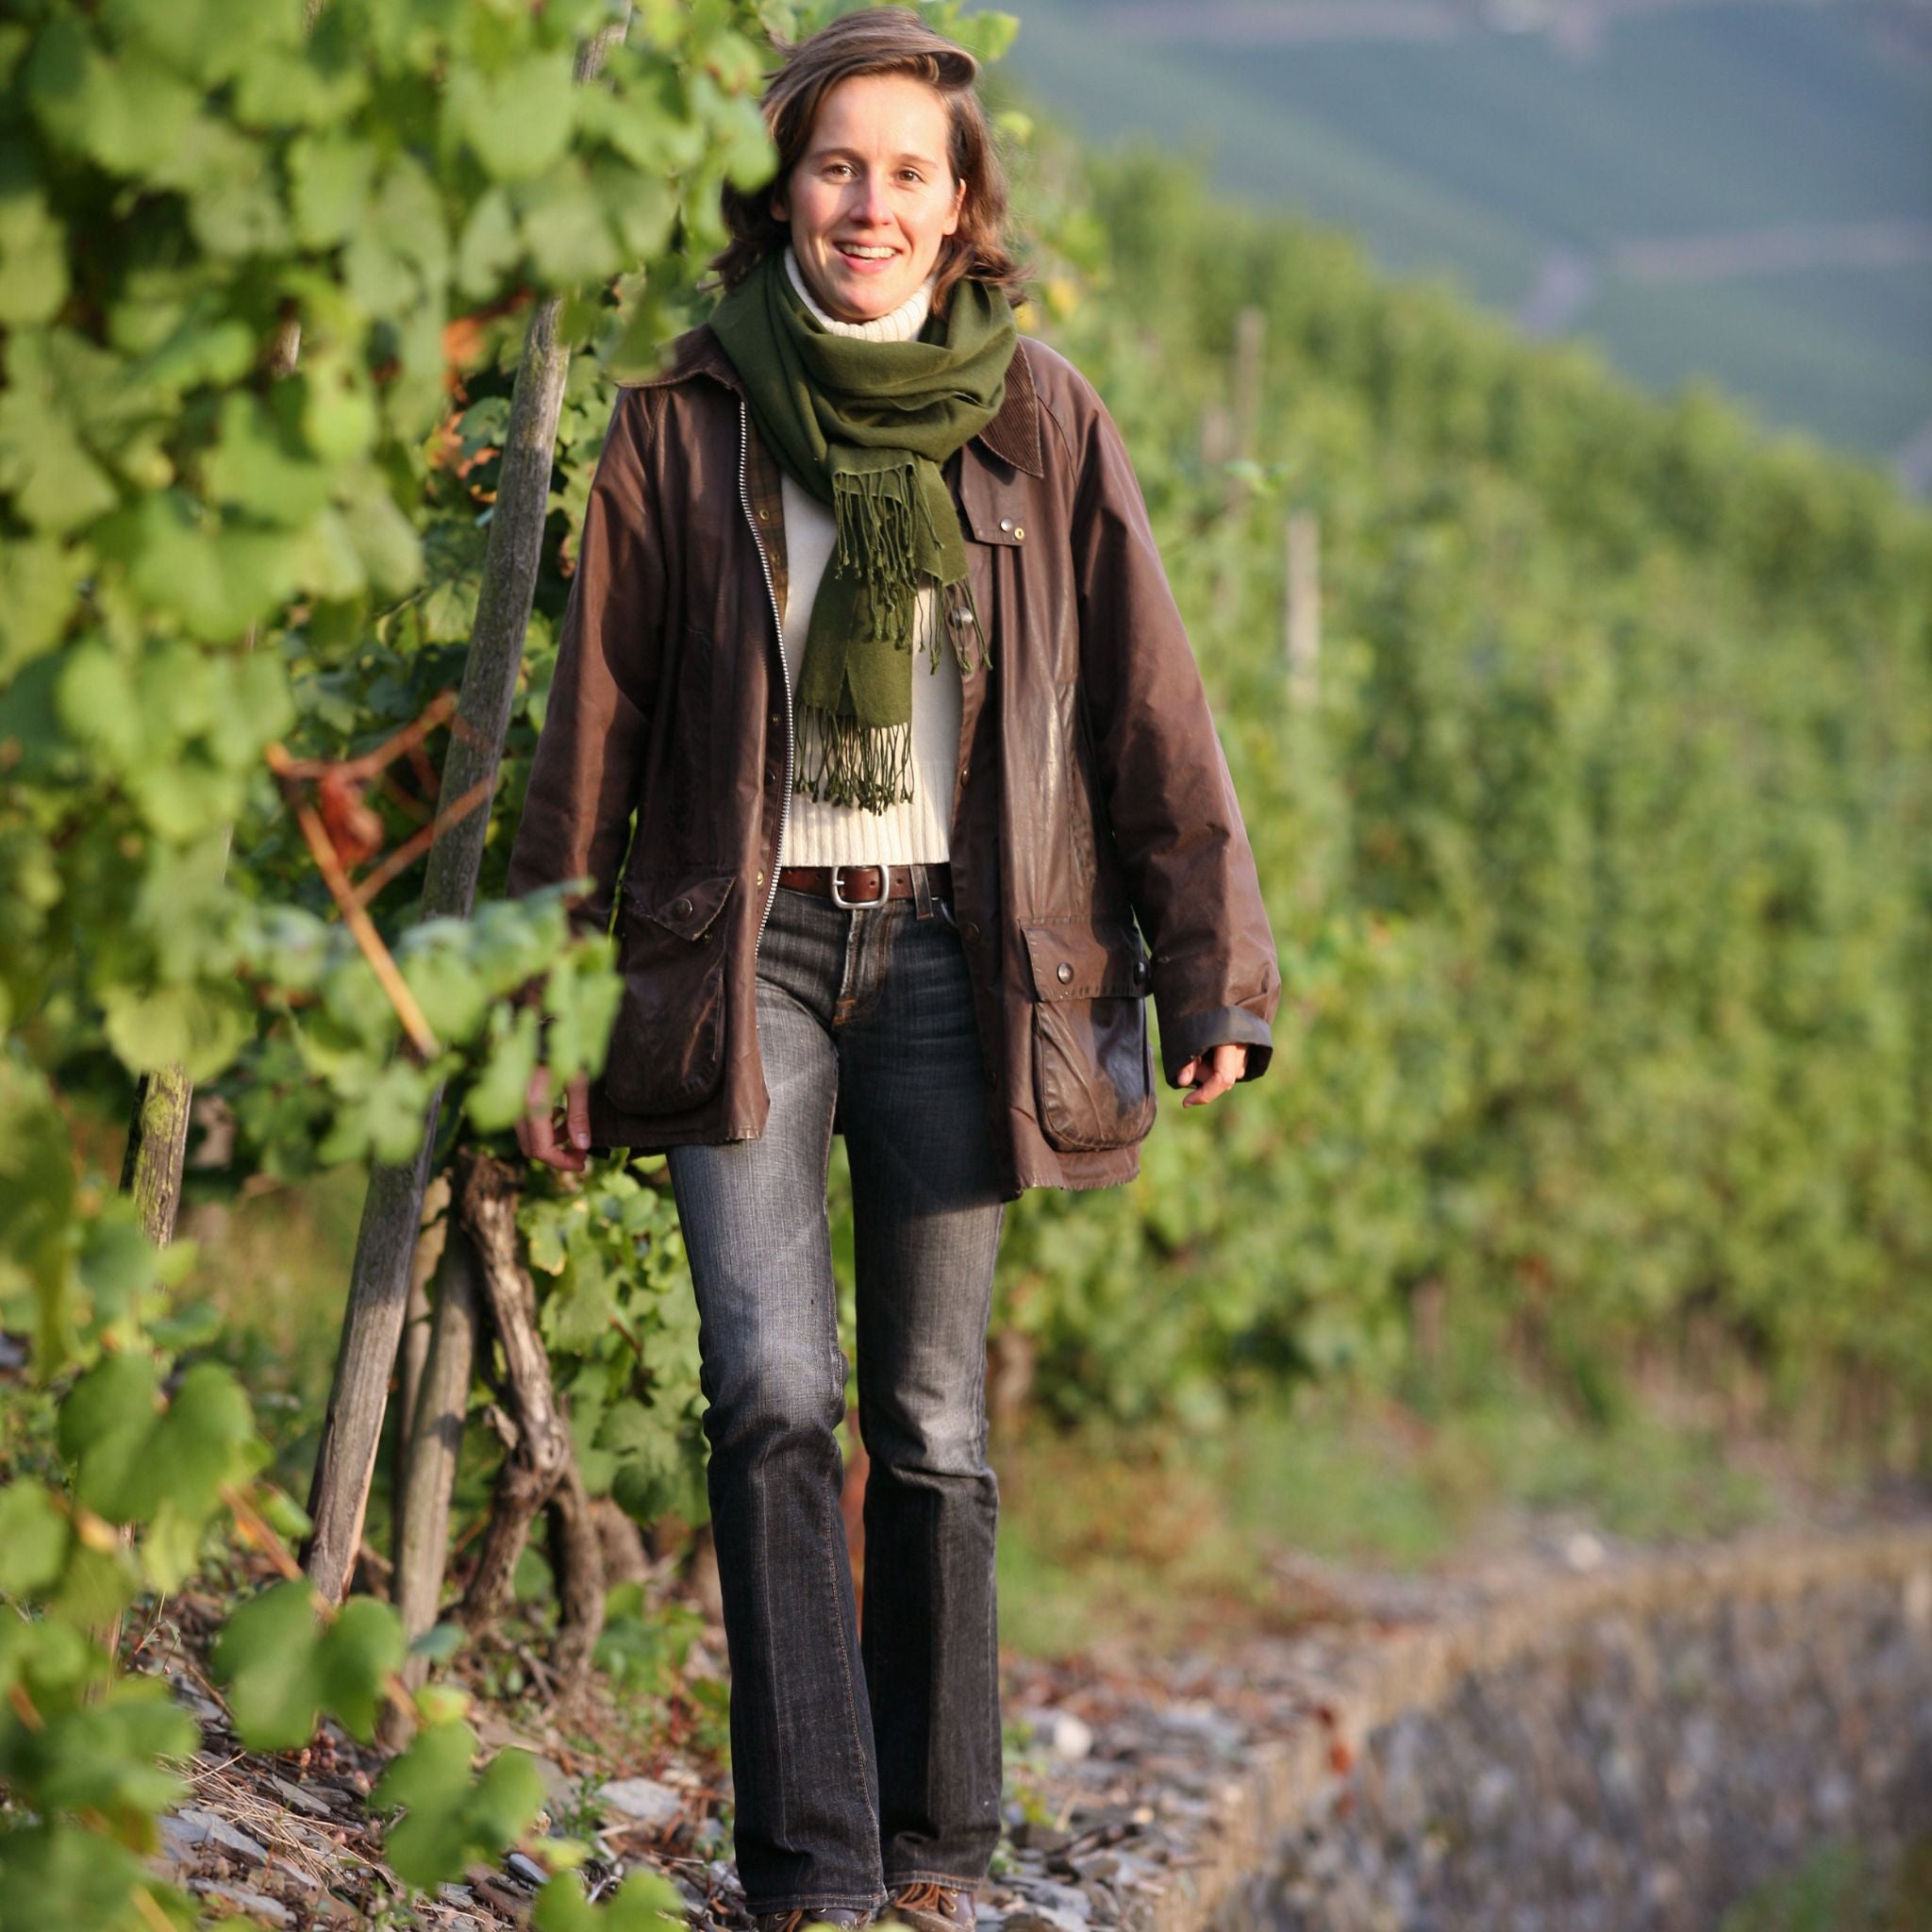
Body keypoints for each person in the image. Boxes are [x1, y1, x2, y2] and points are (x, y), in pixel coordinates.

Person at [506, 12, 1280, 1932]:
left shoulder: (1045, 421)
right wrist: (539, 1006)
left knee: (931, 1420)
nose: (871, 203)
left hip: (960, 951)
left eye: (908, 172)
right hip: (741, 951)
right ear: (784, 185)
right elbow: (591, 736)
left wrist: (1213, 969)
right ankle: (814, 1866)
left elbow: (1151, 704)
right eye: (838, 164)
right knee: (771, 1389)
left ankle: (936, 1842)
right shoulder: (679, 419)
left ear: (959, 204)